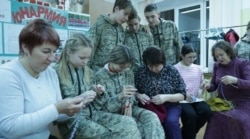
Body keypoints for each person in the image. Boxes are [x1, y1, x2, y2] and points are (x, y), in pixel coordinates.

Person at [0, 19, 86, 139]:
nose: (52, 58)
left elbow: (56, 114)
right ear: (25, 47)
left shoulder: (50, 73)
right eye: (46, 51)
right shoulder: (8, 75)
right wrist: (56, 109)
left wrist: (70, 109)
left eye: (54, 52)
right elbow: (10, 128)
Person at [54, 33, 141, 139]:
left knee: (129, 124)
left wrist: (100, 93)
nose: (85, 62)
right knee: (105, 134)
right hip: (71, 121)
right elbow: (56, 107)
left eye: (88, 58)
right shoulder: (56, 73)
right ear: (69, 52)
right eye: (82, 58)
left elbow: (98, 106)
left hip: (93, 114)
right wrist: (82, 98)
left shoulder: (89, 72)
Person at [94, 45, 165, 139]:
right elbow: (101, 107)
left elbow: (132, 93)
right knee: (130, 123)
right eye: (121, 66)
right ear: (112, 60)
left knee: (151, 117)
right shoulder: (100, 76)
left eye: (126, 67)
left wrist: (129, 104)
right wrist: (120, 96)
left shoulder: (128, 72)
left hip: (129, 108)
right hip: (107, 113)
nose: (123, 70)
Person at [135, 46, 186, 139]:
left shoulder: (171, 70)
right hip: (149, 106)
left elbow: (182, 95)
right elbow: (134, 90)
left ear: (163, 62)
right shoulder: (141, 71)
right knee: (151, 123)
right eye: (150, 65)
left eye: (157, 66)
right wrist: (139, 95)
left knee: (171, 122)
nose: (153, 69)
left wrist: (166, 97)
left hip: (170, 105)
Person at [204, 41, 250, 139]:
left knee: (239, 119)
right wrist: (208, 86)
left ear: (228, 53)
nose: (219, 58)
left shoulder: (242, 63)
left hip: (242, 102)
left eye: (221, 55)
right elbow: (214, 84)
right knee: (215, 116)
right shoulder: (217, 66)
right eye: (217, 56)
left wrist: (235, 80)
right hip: (223, 102)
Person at [174, 44, 212, 139]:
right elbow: (173, 86)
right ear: (182, 56)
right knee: (190, 116)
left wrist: (204, 84)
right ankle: (190, 136)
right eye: (189, 57)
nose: (192, 60)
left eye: (194, 57)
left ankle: (186, 133)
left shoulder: (197, 68)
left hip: (196, 98)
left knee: (207, 112)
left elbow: (201, 82)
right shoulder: (175, 68)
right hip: (182, 99)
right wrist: (184, 94)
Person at [88, 0, 135, 71]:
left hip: (114, 73)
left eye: (128, 16)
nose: (126, 18)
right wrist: (87, 72)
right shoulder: (100, 24)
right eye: (125, 14)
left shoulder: (121, 29)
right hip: (98, 72)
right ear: (116, 9)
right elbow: (90, 49)